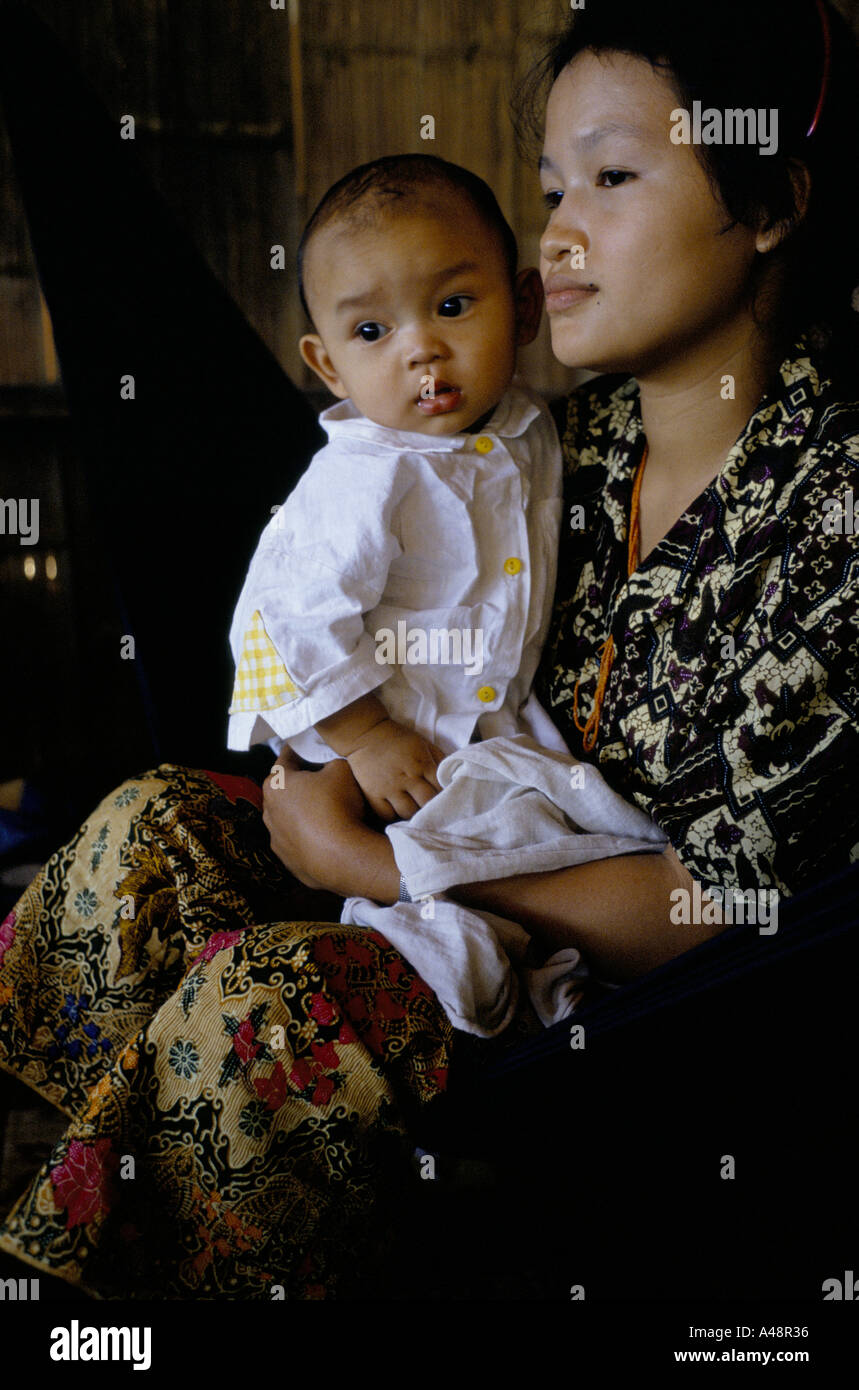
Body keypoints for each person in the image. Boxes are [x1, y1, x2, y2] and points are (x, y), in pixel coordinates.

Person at [0, 0, 856, 1300]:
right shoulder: (561, 441)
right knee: (147, 839)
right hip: (464, 846)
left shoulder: (827, 503)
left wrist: (382, 860)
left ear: (770, 202)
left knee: (267, 1014)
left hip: (648, 1006)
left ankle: (154, 1289)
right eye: (552, 184)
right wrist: (341, 747)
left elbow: (744, 917)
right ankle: (87, 1202)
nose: (556, 234)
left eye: (612, 179)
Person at [227, 152, 569, 822]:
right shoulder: (363, 477)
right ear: (329, 365)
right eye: (370, 331)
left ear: (523, 308)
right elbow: (279, 623)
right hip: (366, 755)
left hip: (479, 741)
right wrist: (365, 738)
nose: (421, 349)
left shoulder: (528, 430)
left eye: (451, 305)